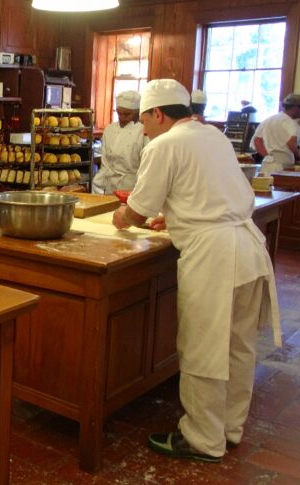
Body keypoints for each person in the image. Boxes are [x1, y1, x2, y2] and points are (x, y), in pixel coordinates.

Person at [112, 79, 281, 463]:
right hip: (248, 245)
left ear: (158, 114)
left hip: (214, 256)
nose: (142, 129)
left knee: (204, 347)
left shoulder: (164, 144)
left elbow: (136, 210)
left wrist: (121, 217)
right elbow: (208, 192)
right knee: (239, 345)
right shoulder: (214, 137)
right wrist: (175, 218)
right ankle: (229, 428)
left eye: (144, 120)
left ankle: (203, 439)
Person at [91, 90, 145, 195]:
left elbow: (145, 169)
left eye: (127, 114)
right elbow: (105, 165)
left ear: (138, 113)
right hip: (110, 188)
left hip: (132, 188)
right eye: (119, 113)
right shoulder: (110, 130)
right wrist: (97, 186)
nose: (122, 117)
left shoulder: (143, 132)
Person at [250, 93, 300, 175]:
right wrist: (298, 154)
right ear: (295, 108)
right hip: (282, 166)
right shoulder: (291, 123)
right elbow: (291, 144)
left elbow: (257, 141)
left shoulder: (268, 120)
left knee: (264, 186)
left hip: (267, 164)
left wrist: (269, 156)